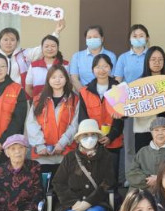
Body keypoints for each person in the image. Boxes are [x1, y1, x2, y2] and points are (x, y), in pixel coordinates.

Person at [0, 10, 59, 87]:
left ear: (17, 42)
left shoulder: (24, 54)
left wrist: (56, 32)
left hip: (19, 95)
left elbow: (44, 48)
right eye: (5, 40)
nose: (8, 43)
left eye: (12, 40)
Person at [25, 63, 80, 175]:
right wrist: (40, 145)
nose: (57, 80)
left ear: (66, 79)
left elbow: (75, 125)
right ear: (48, 80)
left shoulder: (74, 99)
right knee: (44, 184)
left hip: (66, 153)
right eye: (53, 77)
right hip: (42, 154)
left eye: (61, 77)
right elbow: (31, 124)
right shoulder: (38, 100)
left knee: (63, 184)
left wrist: (62, 143)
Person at [78, 53, 125, 184]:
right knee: (94, 178)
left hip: (113, 141)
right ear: (93, 69)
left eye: (105, 66)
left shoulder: (119, 88)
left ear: (111, 68)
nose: (102, 70)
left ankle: (113, 197)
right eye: (98, 67)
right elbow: (83, 118)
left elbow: (121, 117)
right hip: (91, 142)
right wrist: (93, 137)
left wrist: (110, 136)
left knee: (111, 178)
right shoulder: (85, 91)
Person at [126, 117, 165, 191]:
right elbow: (131, 173)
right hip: (144, 192)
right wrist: (148, 179)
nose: (160, 133)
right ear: (151, 132)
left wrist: (159, 179)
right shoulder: (142, 152)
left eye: (164, 129)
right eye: (156, 130)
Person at [69, 24, 117, 91]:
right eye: (89, 37)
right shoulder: (77, 56)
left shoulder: (111, 56)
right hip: (83, 94)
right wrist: (84, 94)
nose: (92, 39)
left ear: (102, 39)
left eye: (95, 37)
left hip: (104, 94)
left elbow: (110, 77)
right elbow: (74, 79)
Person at [25, 34, 68, 101]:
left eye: (53, 46)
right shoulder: (33, 66)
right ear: (42, 48)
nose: (50, 49)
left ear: (57, 48)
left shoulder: (65, 65)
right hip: (39, 104)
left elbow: (69, 86)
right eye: (46, 46)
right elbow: (28, 88)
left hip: (61, 104)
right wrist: (37, 100)